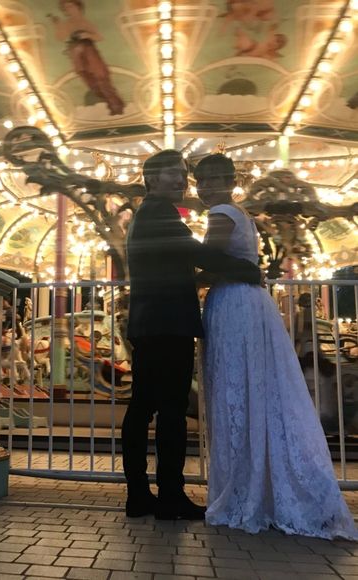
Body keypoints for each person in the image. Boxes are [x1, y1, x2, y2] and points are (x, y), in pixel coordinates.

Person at [195, 154, 357, 539]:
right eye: (200, 181)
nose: (205, 188)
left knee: (236, 390)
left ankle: (244, 490)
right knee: (255, 391)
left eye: (213, 179)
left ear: (230, 182)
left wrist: (173, 273)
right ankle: (264, 483)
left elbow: (209, 263)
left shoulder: (221, 213)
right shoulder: (242, 215)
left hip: (233, 304)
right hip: (247, 302)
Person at [123, 150, 262, 519]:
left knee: (144, 406)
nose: (181, 180)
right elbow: (196, 252)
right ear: (152, 178)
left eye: (183, 174)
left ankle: (140, 494)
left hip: (152, 323)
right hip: (168, 323)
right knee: (170, 409)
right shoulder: (159, 212)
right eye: (173, 173)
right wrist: (247, 269)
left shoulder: (148, 213)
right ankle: (169, 495)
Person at [48, 0, 125, 115]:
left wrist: (88, 35)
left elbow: (99, 37)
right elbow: (61, 37)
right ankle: (110, 102)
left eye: (71, 6)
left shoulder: (84, 22)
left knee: (101, 78)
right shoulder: (68, 23)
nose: (69, 9)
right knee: (90, 81)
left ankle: (116, 105)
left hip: (89, 53)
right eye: (66, 8)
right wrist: (57, 25)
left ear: (78, 7)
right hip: (77, 55)